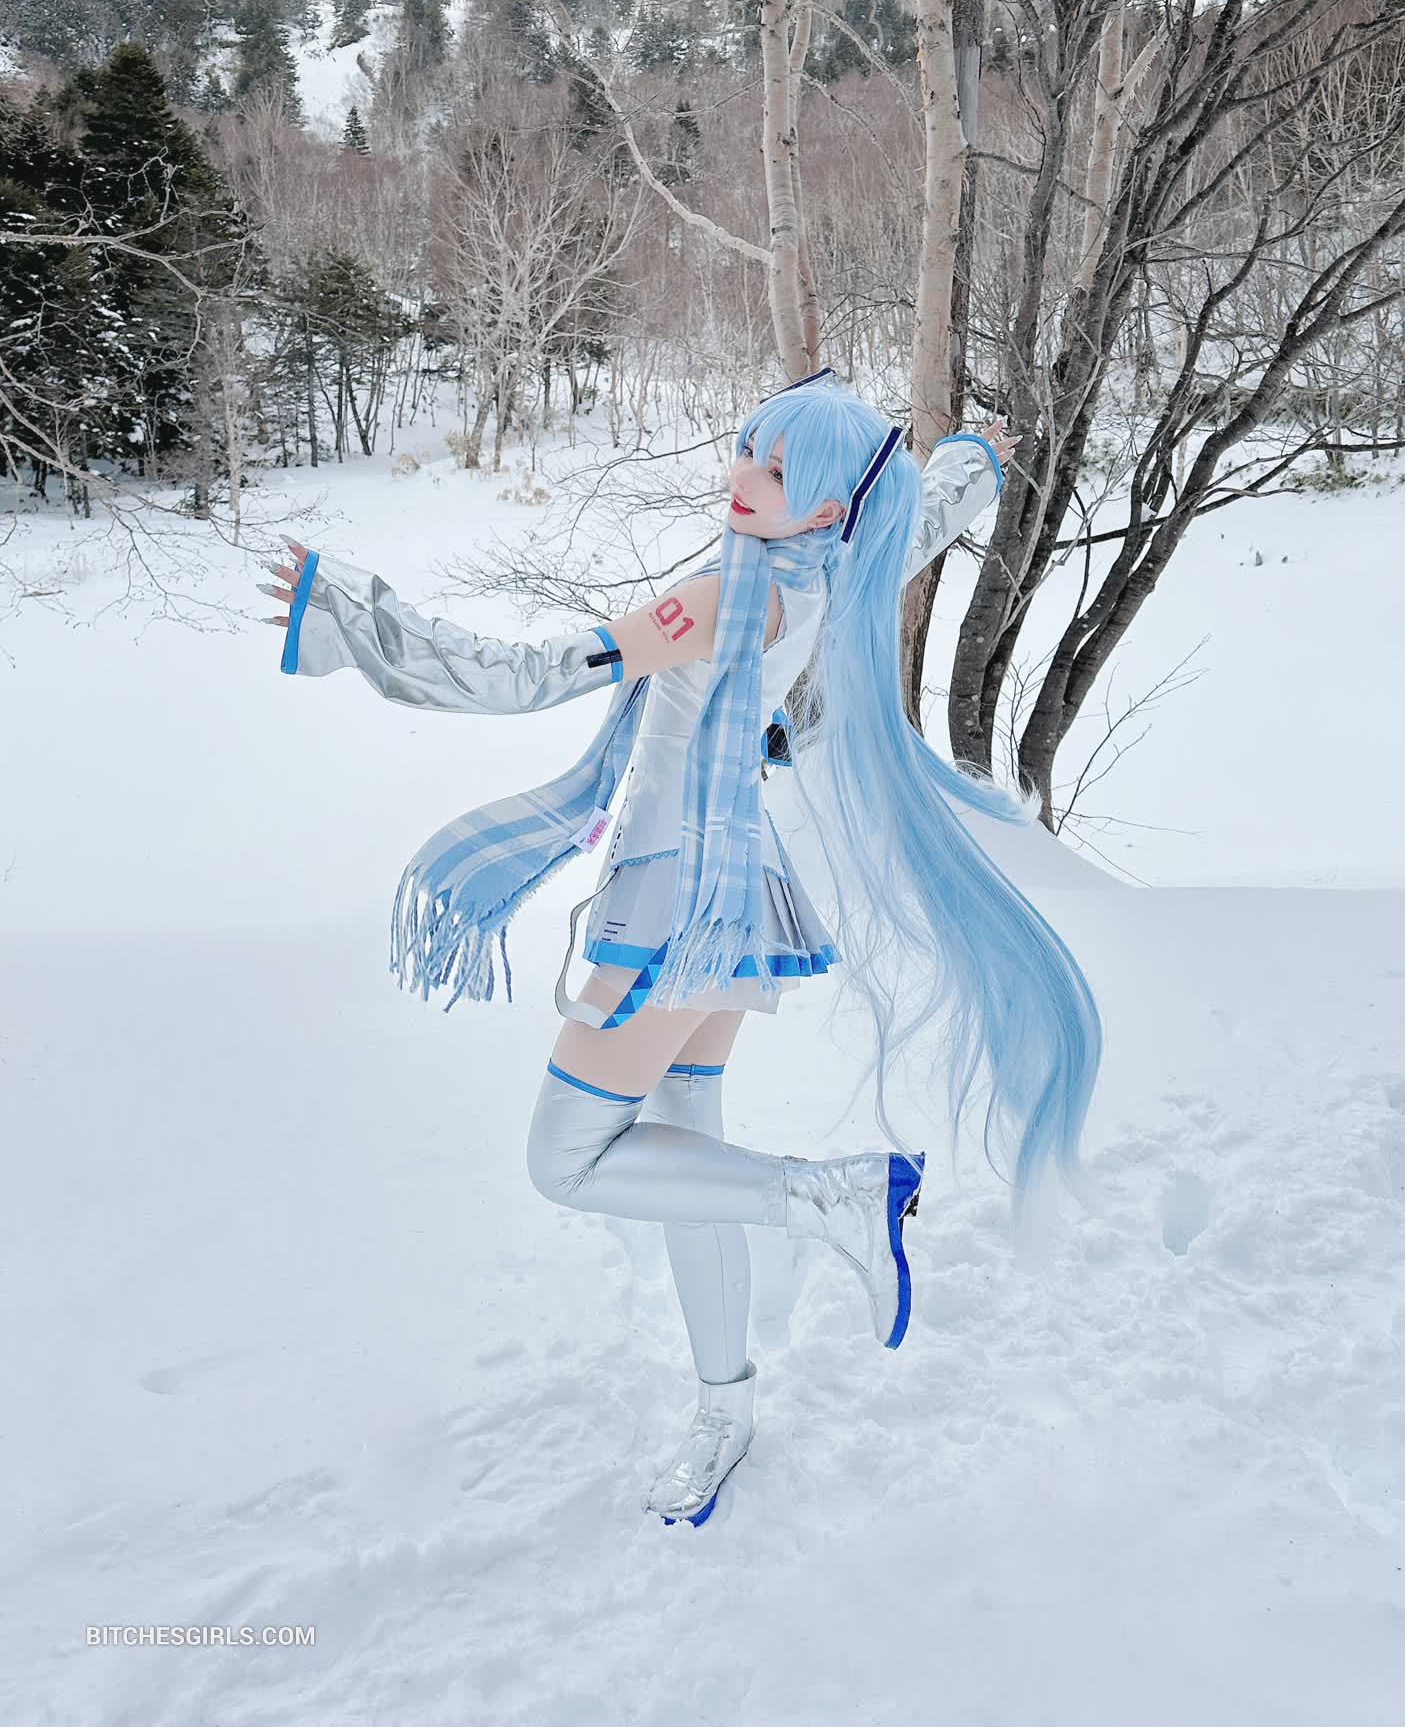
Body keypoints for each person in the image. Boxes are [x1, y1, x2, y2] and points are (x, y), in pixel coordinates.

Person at [259, 368, 1102, 1529]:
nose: (738, 475)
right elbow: (913, 521)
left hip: (670, 907)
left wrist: (353, 616)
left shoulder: (722, 599)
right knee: (682, 1152)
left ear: (823, 506)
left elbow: (529, 675)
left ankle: (840, 1197)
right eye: (747, 446)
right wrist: (972, 461)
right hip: (731, 898)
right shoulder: (840, 568)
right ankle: (725, 1407)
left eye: (773, 468)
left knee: (565, 1158)